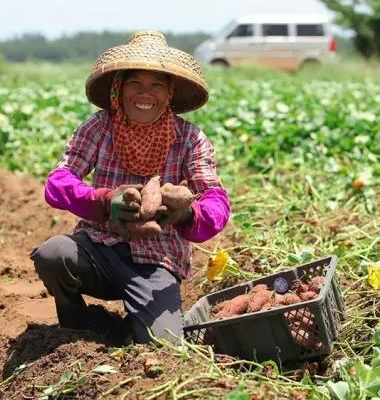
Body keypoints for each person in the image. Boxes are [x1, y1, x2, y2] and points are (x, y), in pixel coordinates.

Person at [30, 31, 230, 344]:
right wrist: (104, 200)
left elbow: (217, 202)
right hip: (100, 247)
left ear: (169, 94)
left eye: (157, 85)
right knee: (54, 254)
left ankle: (125, 328)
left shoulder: (190, 138)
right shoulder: (100, 126)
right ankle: (79, 323)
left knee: (163, 346)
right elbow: (59, 182)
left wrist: (187, 212)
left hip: (157, 259)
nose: (144, 93)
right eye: (135, 83)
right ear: (119, 89)